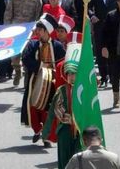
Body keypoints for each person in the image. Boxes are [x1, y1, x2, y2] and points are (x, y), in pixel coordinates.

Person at [21, 13, 66, 147]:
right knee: (33, 105)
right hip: (35, 79)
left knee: (48, 109)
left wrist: (54, 72)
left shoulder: (57, 46)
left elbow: (63, 63)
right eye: (37, 30)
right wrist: (39, 67)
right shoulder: (33, 44)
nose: (37, 32)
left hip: (52, 82)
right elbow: (26, 59)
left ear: (47, 31)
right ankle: (37, 129)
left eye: (40, 30)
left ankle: (46, 137)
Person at [43, 40, 83, 169]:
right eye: (69, 74)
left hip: (81, 131)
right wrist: (46, 132)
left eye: (74, 73)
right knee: (65, 162)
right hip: (65, 131)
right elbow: (54, 111)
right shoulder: (61, 90)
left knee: (80, 161)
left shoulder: (84, 90)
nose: (71, 76)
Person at [4, 0, 43, 86]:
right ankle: (17, 70)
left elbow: (38, 15)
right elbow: (8, 11)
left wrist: (36, 29)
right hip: (15, 28)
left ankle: (27, 76)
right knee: (14, 53)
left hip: (28, 30)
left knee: (27, 53)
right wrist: (6, 27)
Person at [89, 0, 120, 88]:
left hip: (114, 27)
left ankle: (114, 77)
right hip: (99, 28)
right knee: (100, 52)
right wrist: (92, 15)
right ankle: (104, 77)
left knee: (113, 52)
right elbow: (88, 8)